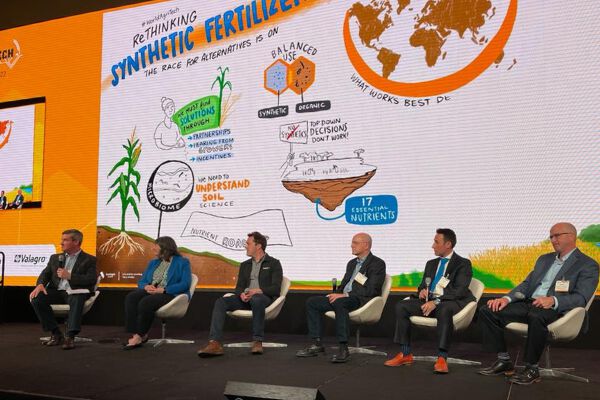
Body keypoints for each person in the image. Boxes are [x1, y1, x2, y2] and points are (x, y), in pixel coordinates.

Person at [478, 222, 599, 385]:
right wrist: (506, 299)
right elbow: (526, 284)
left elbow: (581, 297)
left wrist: (553, 300)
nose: (553, 240)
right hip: (530, 303)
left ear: (571, 236)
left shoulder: (587, 264)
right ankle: (504, 360)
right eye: (551, 236)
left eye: (557, 236)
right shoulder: (544, 259)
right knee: (488, 310)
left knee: (536, 315)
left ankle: (532, 368)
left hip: (558, 309)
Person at [384, 228, 474, 373]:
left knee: (444, 309)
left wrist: (436, 302)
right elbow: (422, 286)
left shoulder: (462, 263)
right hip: (429, 300)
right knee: (401, 306)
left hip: (449, 302)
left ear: (448, 244)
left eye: (436, 242)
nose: (432, 246)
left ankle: (442, 358)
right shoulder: (431, 264)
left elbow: (459, 291)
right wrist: (422, 291)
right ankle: (405, 353)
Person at [296, 233, 386, 363]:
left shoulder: (377, 264)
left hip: (361, 300)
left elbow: (372, 290)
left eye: (355, 243)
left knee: (340, 303)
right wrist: (336, 293)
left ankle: (343, 348)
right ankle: (317, 344)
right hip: (344, 298)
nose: (351, 245)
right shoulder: (351, 263)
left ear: (366, 245)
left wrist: (346, 295)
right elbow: (344, 284)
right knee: (312, 302)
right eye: (352, 242)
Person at [197, 231, 283, 357]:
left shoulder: (274, 263)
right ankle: (215, 343)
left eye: (248, 243)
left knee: (257, 299)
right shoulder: (245, 265)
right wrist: (241, 294)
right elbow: (239, 288)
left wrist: (257, 290)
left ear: (258, 246)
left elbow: (276, 289)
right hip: (245, 299)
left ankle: (257, 341)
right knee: (221, 302)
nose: (245, 246)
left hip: (263, 298)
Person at [29, 229, 97, 350]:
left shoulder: (89, 259)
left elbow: (91, 279)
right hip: (57, 290)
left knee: (77, 298)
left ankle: (70, 336)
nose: (61, 243)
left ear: (76, 242)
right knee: (37, 298)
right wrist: (40, 284)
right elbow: (45, 274)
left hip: (75, 291)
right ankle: (56, 333)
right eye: (62, 240)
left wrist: (70, 276)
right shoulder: (55, 258)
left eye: (65, 240)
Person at [123, 236, 192, 349]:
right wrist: (146, 286)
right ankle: (137, 334)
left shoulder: (182, 262)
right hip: (153, 290)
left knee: (146, 302)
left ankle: (139, 336)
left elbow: (185, 283)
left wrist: (164, 289)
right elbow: (142, 281)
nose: (153, 249)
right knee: (131, 297)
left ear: (165, 248)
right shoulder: (153, 263)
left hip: (170, 293)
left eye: (156, 246)